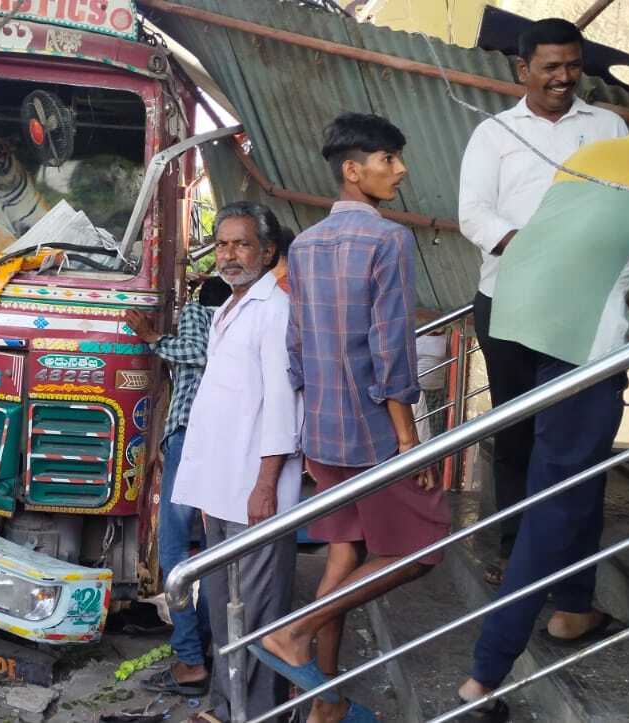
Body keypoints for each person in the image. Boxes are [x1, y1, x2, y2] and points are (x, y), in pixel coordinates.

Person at [455, 91, 629, 720]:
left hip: (510, 316)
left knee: (571, 476)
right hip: (582, 340)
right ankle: (484, 676)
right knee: (558, 496)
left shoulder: (599, 146)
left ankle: (575, 606)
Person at [257, 113, 444, 723]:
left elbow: (295, 347)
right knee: (424, 547)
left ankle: (323, 705)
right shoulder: (389, 239)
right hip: (374, 434)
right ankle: (295, 634)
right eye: (389, 159)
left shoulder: (305, 246)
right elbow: (390, 347)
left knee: (344, 553)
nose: (401, 169)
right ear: (353, 170)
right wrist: (410, 438)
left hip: (324, 433)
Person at [457, 18, 629, 587]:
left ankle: (570, 565)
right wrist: (534, 249)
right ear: (523, 69)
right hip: (508, 299)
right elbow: (474, 214)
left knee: (577, 433)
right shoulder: (495, 133)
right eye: (551, 67)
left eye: (573, 65)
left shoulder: (607, 127)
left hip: (585, 304)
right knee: (518, 431)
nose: (564, 77)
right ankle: (515, 554)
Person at [170, 201, 302, 723]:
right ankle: (227, 709)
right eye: (222, 243)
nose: (229, 254)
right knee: (226, 609)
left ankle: (259, 713)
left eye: (241, 243)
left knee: (258, 611)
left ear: (267, 252)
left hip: (254, 489)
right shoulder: (230, 306)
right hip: (221, 488)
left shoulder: (274, 310)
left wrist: (266, 484)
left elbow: (280, 404)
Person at [126, 274, 231, 698]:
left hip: (190, 435)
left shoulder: (198, 311)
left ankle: (190, 661)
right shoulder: (241, 314)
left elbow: (194, 352)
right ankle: (200, 647)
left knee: (174, 550)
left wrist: (152, 337)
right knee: (212, 549)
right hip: (223, 440)